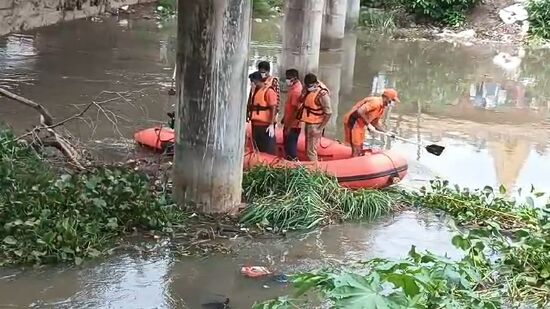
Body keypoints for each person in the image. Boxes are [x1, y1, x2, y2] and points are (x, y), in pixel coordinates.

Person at [343, 88, 400, 157]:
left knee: (360, 146)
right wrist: (368, 125)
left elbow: (375, 123)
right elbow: (360, 111)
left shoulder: (381, 108)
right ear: (387, 98)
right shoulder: (375, 102)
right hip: (352, 121)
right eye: (392, 100)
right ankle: (353, 162)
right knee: (356, 148)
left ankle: (357, 159)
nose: (392, 103)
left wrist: (386, 132)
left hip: (361, 125)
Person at [297, 73, 331, 161]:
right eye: (307, 85)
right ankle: (309, 167)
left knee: (311, 151)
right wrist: (303, 93)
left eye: (310, 86)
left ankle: (314, 170)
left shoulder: (322, 94)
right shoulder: (307, 89)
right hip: (308, 122)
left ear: (315, 83)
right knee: (308, 148)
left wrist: (319, 129)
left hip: (315, 124)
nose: (309, 87)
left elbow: (328, 113)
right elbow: (300, 100)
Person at [248, 71, 278, 154]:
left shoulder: (269, 91)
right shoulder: (255, 91)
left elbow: (273, 108)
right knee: (257, 148)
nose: (251, 84)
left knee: (267, 148)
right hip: (255, 125)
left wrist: (271, 124)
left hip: (265, 126)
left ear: (257, 81)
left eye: (252, 81)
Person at [281, 69, 303, 160]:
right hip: (289, 122)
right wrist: (284, 118)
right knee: (287, 146)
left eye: (288, 78)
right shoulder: (294, 88)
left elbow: (295, 111)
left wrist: (289, 127)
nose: (287, 80)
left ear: (294, 78)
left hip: (293, 125)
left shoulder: (296, 91)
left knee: (290, 148)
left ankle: (293, 165)